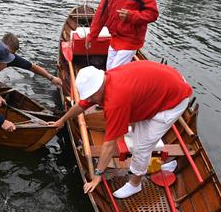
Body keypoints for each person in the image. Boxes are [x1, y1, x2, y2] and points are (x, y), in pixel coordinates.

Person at [48, 61, 191, 199]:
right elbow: (81, 105)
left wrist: (98, 175)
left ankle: (135, 184)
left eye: (91, 96)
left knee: (142, 146)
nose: (90, 99)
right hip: (168, 81)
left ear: (98, 88)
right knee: (139, 132)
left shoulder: (115, 101)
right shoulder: (104, 80)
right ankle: (153, 162)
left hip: (175, 98)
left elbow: (109, 145)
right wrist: (62, 120)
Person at [86, 0, 158, 70]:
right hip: (115, 36)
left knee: (115, 71)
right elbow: (101, 12)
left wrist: (131, 16)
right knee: (109, 69)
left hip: (131, 38)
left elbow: (153, 14)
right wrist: (92, 35)